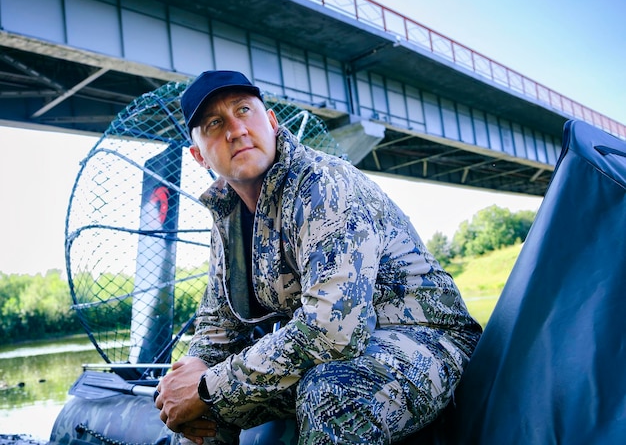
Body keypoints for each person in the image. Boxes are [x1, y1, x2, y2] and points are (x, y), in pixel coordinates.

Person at [154, 70, 482, 445]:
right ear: (198, 155)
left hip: (427, 340)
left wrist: (209, 386)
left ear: (272, 122)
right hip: (336, 353)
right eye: (215, 123)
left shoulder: (321, 184)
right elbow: (218, 323)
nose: (236, 130)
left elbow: (332, 330)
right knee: (202, 415)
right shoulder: (226, 215)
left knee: (330, 393)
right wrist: (189, 379)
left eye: (244, 110)